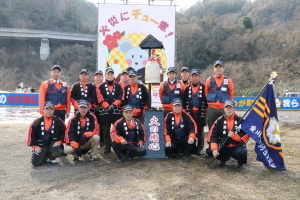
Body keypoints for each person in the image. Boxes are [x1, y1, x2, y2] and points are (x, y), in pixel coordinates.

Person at [206, 100, 249, 169]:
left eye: (231, 108)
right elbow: (214, 135)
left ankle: (240, 163)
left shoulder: (240, 120)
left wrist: (234, 136)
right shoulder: (219, 120)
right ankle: (223, 159)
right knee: (209, 151)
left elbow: (246, 134)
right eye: (227, 108)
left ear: (234, 109)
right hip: (224, 146)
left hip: (236, 146)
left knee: (242, 152)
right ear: (224, 109)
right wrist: (214, 149)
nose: (229, 110)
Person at [27, 101, 66, 166]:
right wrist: (35, 147)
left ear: (53, 110)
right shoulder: (37, 122)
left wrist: (59, 142)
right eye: (47, 109)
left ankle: (51, 156)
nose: (49, 111)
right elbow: (31, 135)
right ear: (44, 110)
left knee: (59, 151)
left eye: (51, 109)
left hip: (53, 146)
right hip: (41, 147)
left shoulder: (59, 121)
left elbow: (64, 133)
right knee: (35, 163)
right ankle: (44, 156)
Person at [98, 68, 123, 154]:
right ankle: (107, 147)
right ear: (105, 75)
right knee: (105, 131)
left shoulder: (118, 86)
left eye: (111, 74)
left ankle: (118, 145)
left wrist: (114, 105)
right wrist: (106, 106)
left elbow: (121, 97)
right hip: (104, 112)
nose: (110, 76)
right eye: (108, 74)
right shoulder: (101, 86)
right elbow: (99, 97)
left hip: (115, 111)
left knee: (117, 130)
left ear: (114, 76)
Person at [182, 69, 207, 155]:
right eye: (193, 76)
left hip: (200, 113)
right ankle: (191, 147)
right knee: (190, 130)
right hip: (190, 113)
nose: (194, 78)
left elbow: (207, 100)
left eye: (196, 76)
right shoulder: (187, 87)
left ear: (199, 77)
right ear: (190, 77)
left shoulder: (204, 87)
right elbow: (183, 100)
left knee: (200, 132)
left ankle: (199, 148)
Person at [205, 60, 234, 130]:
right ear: (214, 69)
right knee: (211, 127)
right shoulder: (209, 80)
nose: (218, 69)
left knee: (224, 127)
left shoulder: (228, 80)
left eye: (220, 67)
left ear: (223, 68)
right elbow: (205, 93)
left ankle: (222, 141)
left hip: (223, 107)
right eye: (216, 67)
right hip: (211, 108)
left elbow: (231, 93)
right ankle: (211, 140)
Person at [93, 70, 105, 148]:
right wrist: (94, 104)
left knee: (103, 125)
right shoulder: (92, 86)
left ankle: (102, 142)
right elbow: (90, 96)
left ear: (103, 77)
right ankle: (94, 142)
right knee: (94, 125)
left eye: (100, 76)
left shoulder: (105, 85)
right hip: (94, 107)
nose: (98, 77)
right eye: (97, 76)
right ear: (94, 77)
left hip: (103, 107)